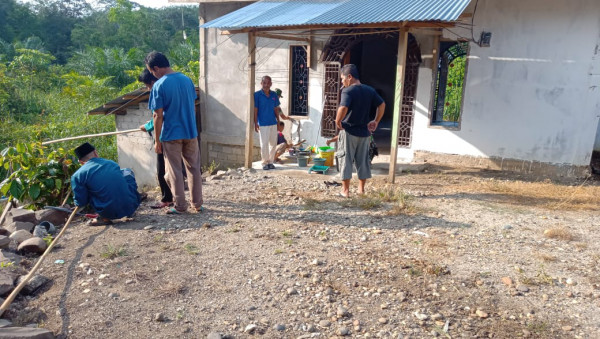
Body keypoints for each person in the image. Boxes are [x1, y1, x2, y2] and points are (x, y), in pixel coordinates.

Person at [145, 51, 203, 214]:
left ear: (156, 68)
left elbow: (158, 115)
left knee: (175, 171)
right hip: (190, 132)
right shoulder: (186, 80)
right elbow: (192, 105)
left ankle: (180, 206)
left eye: (151, 71)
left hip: (171, 134)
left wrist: (157, 141)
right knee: (194, 168)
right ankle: (197, 204)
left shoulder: (159, 85)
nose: (152, 75)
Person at [335, 64, 385, 198]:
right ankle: (361, 190)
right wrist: (376, 121)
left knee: (345, 159)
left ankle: (345, 191)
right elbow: (382, 104)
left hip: (349, 131)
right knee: (363, 161)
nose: (342, 82)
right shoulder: (370, 90)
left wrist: (338, 121)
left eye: (342, 78)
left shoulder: (348, 91)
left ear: (349, 77)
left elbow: (343, 107)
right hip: (365, 134)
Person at [71, 142, 141, 226]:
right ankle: (129, 203)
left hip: (108, 212)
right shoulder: (111, 163)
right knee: (127, 171)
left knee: (88, 189)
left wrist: (77, 203)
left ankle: (104, 218)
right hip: (132, 206)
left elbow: (81, 201)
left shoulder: (77, 175)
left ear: (80, 162)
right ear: (95, 153)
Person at [138, 69, 173, 209]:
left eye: (147, 85)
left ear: (152, 81)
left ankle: (167, 199)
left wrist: (147, 127)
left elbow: (159, 116)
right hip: (180, 134)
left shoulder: (157, 89)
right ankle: (178, 198)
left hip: (165, 137)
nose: (148, 89)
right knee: (175, 169)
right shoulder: (172, 85)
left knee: (162, 170)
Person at [254, 76, 288, 170]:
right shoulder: (257, 95)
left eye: (268, 83)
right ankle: (265, 163)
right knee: (264, 144)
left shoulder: (273, 95)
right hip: (263, 123)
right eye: (264, 83)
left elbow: (276, 109)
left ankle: (270, 162)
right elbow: (255, 109)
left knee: (273, 144)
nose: (266, 85)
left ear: (271, 84)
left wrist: (278, 121)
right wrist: (255, 123)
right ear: (261, 83)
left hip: (273, 122)